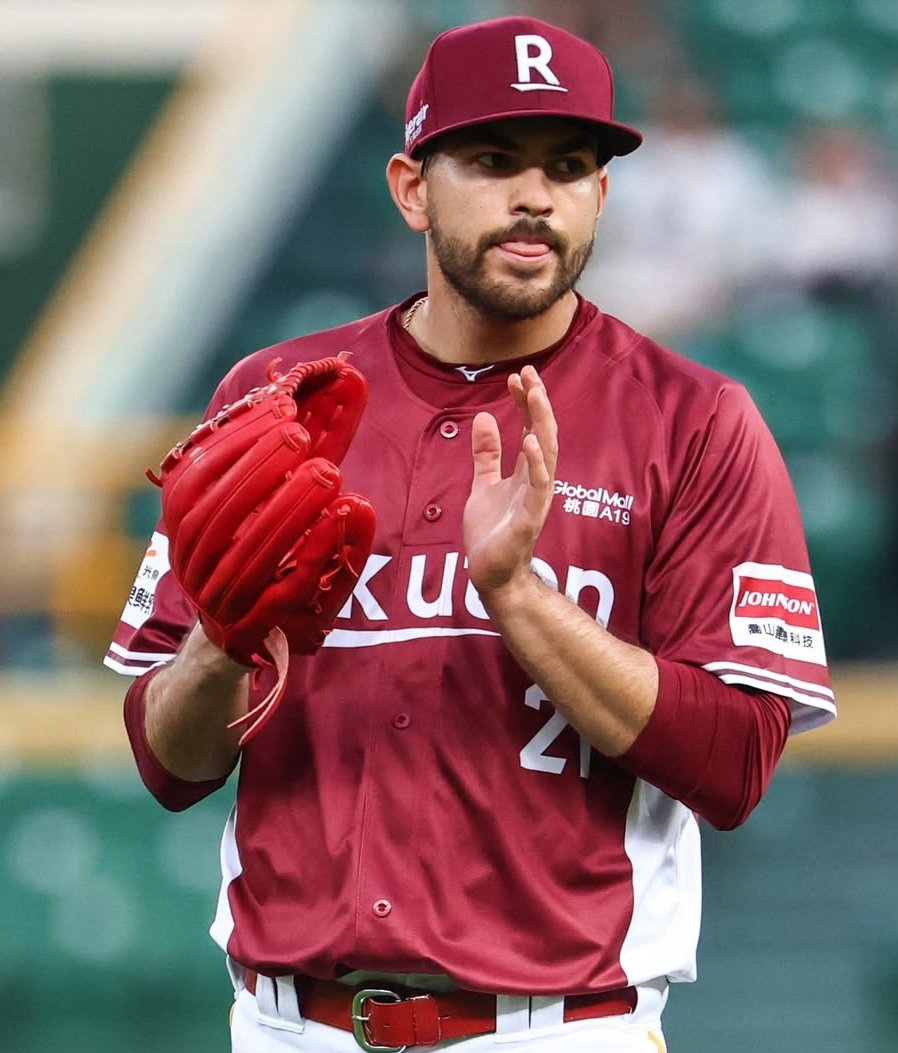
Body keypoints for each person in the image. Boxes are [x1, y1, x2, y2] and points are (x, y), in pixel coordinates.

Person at [105, 15, 836, 1053]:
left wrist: (519, 597)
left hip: (557, 1030)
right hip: (287, 1023)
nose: (534, 195)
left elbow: (732, 768)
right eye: (492, 160)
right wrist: (221, 640)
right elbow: (166, 764)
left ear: (601, 194)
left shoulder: (694, 420)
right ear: (412, 187)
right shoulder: (277, 400)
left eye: (569, 165)